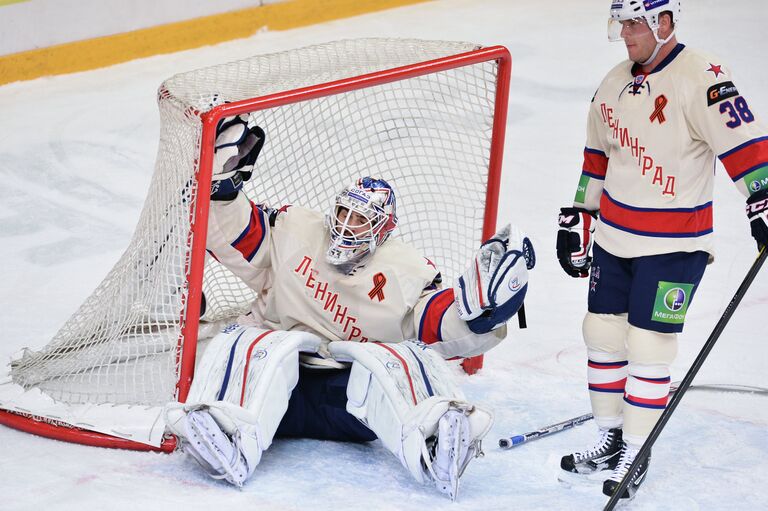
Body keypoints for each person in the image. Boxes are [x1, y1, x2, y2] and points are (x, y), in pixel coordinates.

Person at [164, 114, 535, 500]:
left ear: (383, 228)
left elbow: (436, 323)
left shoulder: (405, 272)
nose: (346, 224)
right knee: (246, 341)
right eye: (343, 212)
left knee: (405, 359)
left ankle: (435, 441)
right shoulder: (295, 230)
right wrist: (223, 190)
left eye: (361, 219)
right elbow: (241, 238)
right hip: (276, 394)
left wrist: (481, 313)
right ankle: (228, 436)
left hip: (350, 406)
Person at [555, 0, 768, 501]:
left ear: (665, 23)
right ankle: (609, 439)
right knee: (602, 337)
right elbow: (596, 158)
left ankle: (637, 447)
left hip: (674, 244)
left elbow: (745, 144)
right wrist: (581, 215)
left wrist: (762, 197)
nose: (626, 33)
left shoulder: (702, 76)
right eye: (622, 23)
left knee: (649, 347)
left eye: (636, 23)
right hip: (613, 238)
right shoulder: (612, 82)